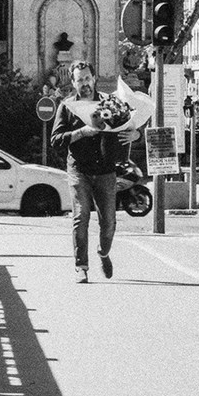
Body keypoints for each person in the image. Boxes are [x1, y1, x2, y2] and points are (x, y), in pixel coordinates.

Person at [50, 60, 137, 283]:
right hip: (79, 170)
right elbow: (56, 140)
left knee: (109, 222)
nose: (85, 83)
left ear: (94, 78)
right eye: (80, 80)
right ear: (73, 82)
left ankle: (103, 252)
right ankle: (81, 266)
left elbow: (129, 125)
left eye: (88, 78)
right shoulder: (67, 106)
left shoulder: (109, 103)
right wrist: (81, 132)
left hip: (106, 170)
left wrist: (135, 135)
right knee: (81, 216)